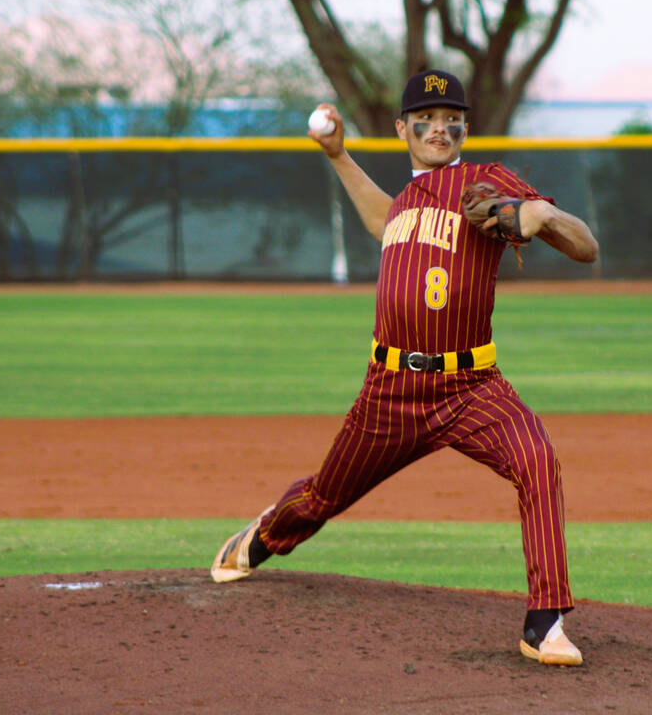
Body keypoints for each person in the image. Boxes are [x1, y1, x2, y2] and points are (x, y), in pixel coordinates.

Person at [211, 69, 599, 666]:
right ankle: (265, 535)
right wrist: (338, 154)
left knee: (538, 462)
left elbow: (586, 246)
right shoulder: (408, 201)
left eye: (451, 118)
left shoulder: (485, 180)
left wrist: (542, 217)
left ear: (465, 128)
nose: (439, 127)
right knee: (321, 497)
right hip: (388, 393)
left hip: (472, 387)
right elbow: (381, 221)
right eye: (426, 117)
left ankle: (544, 621)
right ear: (403, 128)